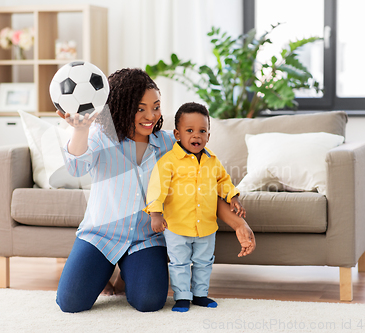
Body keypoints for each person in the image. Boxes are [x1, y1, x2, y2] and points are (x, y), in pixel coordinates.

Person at [55, 68, 255, 313]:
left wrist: (239, 224)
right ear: (122, 107)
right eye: (140, 108)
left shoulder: (171, 144)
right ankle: (101, 268)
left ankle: (127, 273)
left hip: (146, 239)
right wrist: (81, 130)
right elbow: (75, 167)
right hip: (100, 236)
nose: (150, 115)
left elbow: (203, 187)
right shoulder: (99, 137)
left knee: (149, 302)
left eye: (156, 106)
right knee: (71, 303)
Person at [144, 102, 256, 312]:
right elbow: (157, 188)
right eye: (190, 131)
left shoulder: (212, 161)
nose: (196, 136)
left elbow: (223, 181)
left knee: (204, 262)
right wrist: (156, 214)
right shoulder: (168, 162)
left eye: (202, 131)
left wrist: (233, 197)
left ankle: (200, 294)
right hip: (177, 225)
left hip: (206, 225)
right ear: (177, 134)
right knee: (180, 263)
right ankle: (182, 297)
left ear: (208, 135)